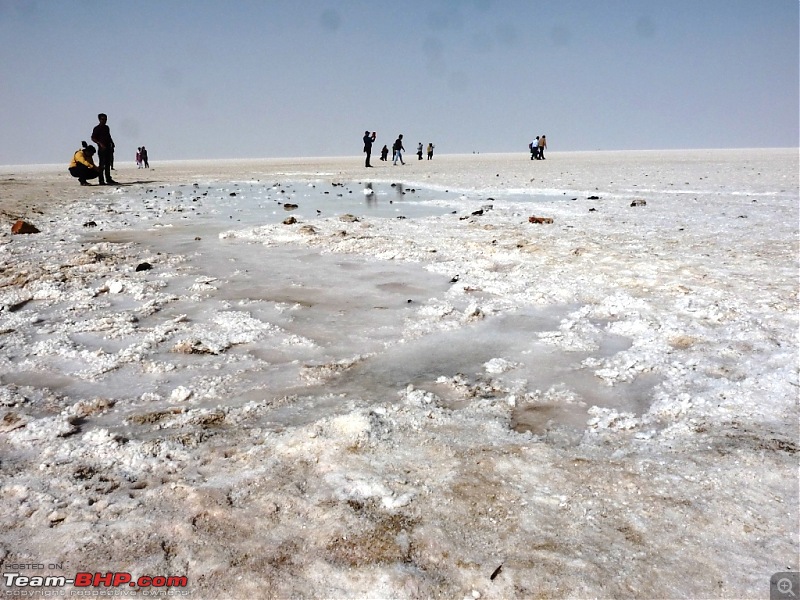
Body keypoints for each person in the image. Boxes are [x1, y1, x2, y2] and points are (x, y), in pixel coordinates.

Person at [91, 113, 116, 185]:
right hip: (102, 149)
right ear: (99, 119)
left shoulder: (106, 128)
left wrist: (112, 143)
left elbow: (109, 136)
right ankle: (101, 180)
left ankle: (108, 178)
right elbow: (93, 138)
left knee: (108, 164)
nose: (104, 121)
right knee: (102, 164)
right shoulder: (97, 128)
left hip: (108, 147)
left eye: (105, 119)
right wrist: (100, 143)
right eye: (102, 119)